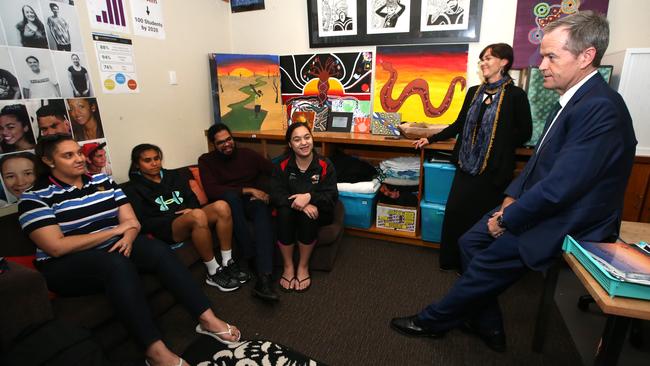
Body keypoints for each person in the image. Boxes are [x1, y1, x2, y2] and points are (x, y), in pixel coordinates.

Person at [391, 11, 637, 353]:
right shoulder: (570, 101)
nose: (542, 65)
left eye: (552, 56)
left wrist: (507, 218)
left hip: (567, 220)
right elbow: (539, 163)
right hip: (534, 203)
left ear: (586, 56)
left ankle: (433, 321)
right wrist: (510, 199)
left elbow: (561, 188)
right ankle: (487, 323)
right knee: (469, 243)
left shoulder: (601, 108)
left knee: (488, 258)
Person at [18, 134, 242, 366]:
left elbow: (132, 222)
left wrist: (128, 234)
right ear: (48, 161)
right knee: (116, 264)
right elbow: (56, 246)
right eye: (68, 155)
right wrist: (115, 232)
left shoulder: (101, 182)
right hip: (67, 263)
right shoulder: (35, 198)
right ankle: (154, 351)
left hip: (116, 244)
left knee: (158, 250)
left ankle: (207, 318)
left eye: (78, 152)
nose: (79, 158)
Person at [413, 43, 532, 271]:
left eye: (489, 58)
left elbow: (525, 132)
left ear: (504, 62)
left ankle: (476, 267)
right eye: (482, 59)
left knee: (482, 221)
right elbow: (459, 124)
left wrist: (498, 144)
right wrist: (432, 138)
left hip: (494, 171)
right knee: (456, 213)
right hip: (466, 166)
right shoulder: (473, 92)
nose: (484, 63)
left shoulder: (516, 95)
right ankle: (452, 261)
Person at [125, 143, 247, 293]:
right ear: (137, 164)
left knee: (222, 206)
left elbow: (191, 198)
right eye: (147, 160)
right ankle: (213, 272)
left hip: (191, 217)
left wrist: (191, 209)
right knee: (197, 215)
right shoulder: (132, 188)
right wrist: (179, 216)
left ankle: (227, 262)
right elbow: (142, 221)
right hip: (165, 227)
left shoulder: (174, 175)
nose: (154, 163)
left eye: (156, 158)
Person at [199, 123, 277, 302]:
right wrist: (247, 190)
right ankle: (250, 256)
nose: (227, 144)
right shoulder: (206, 161)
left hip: (250, 202)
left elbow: (274, 172)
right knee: (231, 198)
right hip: (227, 205)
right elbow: (212, 190)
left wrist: (268, 195)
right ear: (213, 144)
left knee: (260, 207)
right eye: (221, 143)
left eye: (229, 139)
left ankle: (264, 277)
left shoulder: (247, 155)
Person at [270, 122, 338, 292]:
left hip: (319, 211)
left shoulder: (325, 164)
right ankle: (288, 267)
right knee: (284, 212)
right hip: (290, 211)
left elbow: (331, 196)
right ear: (290, 145)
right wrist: (301, 204)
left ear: (312, 139)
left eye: (307, 137)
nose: (304, 143)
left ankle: (302, 266)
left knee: (308, 215)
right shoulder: (281, 165)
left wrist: (309, 197)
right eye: (297, 139)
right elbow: (276, 195)